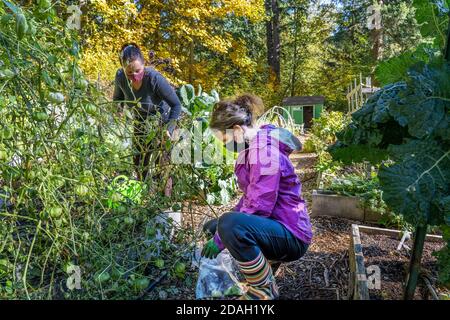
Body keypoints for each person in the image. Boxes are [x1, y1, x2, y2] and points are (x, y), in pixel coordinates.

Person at [201, 94, 313, 300]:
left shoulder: (263, 152)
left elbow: (259, 207)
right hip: (277, 226)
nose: (225, 146)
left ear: (236, 130)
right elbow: (249, 198)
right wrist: (219, 231)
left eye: (224, 140)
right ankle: (263, 271)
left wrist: (220, 239)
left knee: (228, 226)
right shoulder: (253, 148)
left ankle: (263, 290)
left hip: (292, 234)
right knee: (217, 225)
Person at [113, 43, 182, 184]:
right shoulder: (120, 77)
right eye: (129, 73)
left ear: (144, 64)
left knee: (162, 163)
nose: (135, 76)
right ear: (123, 70)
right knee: (139, 160)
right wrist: (118, 111)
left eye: (138, 71)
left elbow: (176, 105)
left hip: (162, 119)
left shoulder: (154, 78)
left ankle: (165, 196)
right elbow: (117, 99)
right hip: (140, 121)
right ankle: (144, 190)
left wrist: (169, 129)